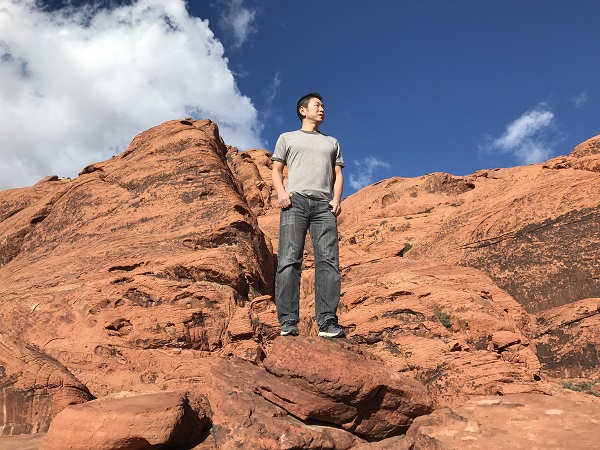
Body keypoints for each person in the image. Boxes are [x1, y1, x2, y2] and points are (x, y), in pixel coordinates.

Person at [271, 92, 345, 338]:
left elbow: (338, 174)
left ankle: (327, 321)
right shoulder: (287, 138)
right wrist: (281, 192)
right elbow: (277, 169)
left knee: (329, 261)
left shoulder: (332, 142)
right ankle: (288, 321)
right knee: (289, 259)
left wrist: (336, 199)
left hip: (324, 206)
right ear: (303, 111)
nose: (322, 108)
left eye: (323, 105)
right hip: (295, 202)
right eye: (317, 105)